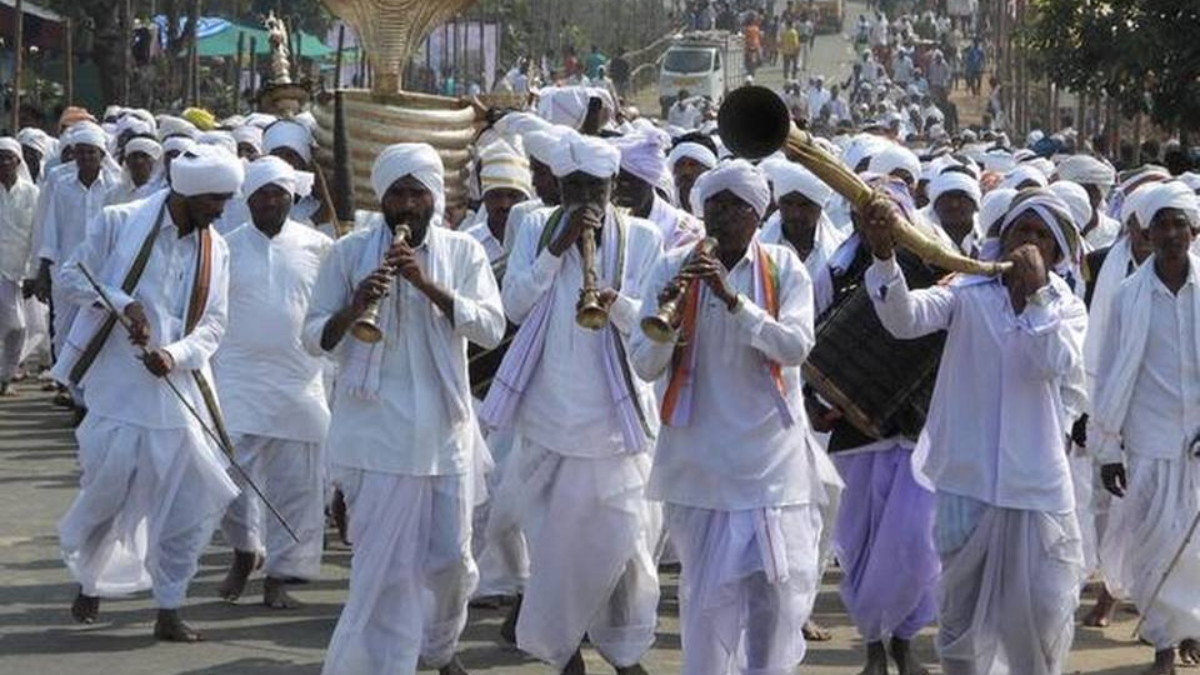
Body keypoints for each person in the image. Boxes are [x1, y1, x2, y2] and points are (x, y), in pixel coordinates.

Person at [863, 188, 1087, 675]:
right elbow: (904, 319)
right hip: (966, 480)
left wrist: (1038, 297)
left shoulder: (1067, 308)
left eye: (1041, 236)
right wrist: (885, 257)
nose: (1029, 244)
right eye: (1021, 232)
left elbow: (1050, 361)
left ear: (1056, 251)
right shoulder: (965, 292)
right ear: (1001, 239)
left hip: (1037, 487)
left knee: (1043, 614)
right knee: (960, 621)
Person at [629, 159, 834, 675]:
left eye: (732, 208)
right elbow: (644, 362)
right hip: (699, 465)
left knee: (773, 594)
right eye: (712, 207)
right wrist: (670, 318)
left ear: (754, 214)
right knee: (704, 597)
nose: (719, 217)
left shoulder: (784, 268)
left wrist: (732, 300)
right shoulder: (672, 265)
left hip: (769, 465)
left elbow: (795, 347)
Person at [307, 143, 505, 675]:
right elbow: (312, 339)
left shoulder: (464, 254)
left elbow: (490, 327)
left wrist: (427, 285)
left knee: (451, 566)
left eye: (419, 193)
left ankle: (437, 649)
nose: (409, 204)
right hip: (376, 437)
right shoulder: (348, 254)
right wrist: (354, 306)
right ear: (384, 199)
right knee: (384, 572)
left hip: (445, 434)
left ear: (435, 198)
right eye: (398, 193)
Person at [479, 131, 662, 674]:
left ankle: (625, 653)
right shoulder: (536, 225)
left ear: (613, 186)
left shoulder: (643, 236)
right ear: (558, 185)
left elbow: (651, 323)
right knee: (555, 548)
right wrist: (554, 253)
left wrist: (615, 301)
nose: (584, 200)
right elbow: (512, 306)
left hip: (617, 419)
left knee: (625, 546)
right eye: (573, 187)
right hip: (549, 416)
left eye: (594, 188)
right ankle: (565, 653)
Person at [53, 146, 245, 641]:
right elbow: (73, 276)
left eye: (224, 199)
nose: (220, 210)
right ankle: (91, 579)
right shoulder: (119, 221)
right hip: (118, 392)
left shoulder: (215, 248)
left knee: (188, 500)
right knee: (107, 493)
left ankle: (170, 605)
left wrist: (176, 354)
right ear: (185, 192)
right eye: (213, 200)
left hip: (179, 393)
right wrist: (122, 303)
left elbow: (216, 323)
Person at [212, 157, 333, 609]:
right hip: (237, 375)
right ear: (247, 198)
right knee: (225, 477)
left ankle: (281, 575)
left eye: (277, 193)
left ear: (292, 197)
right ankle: (246, 549)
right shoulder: (225, 246)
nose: (268, 201)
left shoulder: (318, 246)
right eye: (260, 193)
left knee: (298, 487)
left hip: (300, 377)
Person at [1095, 181, 1200, 675]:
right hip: (1150, 438)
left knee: (1196, 545)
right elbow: (1113, 373)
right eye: (1163, 224)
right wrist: (1108, 450)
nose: (1172, 233)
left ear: (1193, 231)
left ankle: (1192, 630)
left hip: (1199, 439)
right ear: (1147, 232)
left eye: (1180, 223)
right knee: (1154, 543)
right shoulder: (1127, 296)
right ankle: (1162, 643)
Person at [34, 122, 117, 386]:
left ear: (102, 155)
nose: (85, 157)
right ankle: (71, 390)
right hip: (66, 272)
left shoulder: (115, 188)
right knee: (64, 334)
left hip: (105, 273)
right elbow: (51, 230)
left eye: (91, 152)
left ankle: (89, 397)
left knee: (98, 335)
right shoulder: (62, 186)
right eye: (80, 152)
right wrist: (43, 271)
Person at [611, 131, 704, 249]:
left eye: (631, 181)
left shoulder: (683, 229)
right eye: (617, 181)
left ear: (650, 181)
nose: (622, 187)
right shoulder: (612, 223)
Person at [0, 138, 39, 394]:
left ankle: (5, 375)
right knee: (14, 324)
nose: (4, 163)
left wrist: (34, 271)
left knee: (18, 326)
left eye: (8, 157)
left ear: (18, 161)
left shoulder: (32, 193)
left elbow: (37, 234)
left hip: (18, 269)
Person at [921, 170, 983, 257]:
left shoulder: (985, 233)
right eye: (947, 198)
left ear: (975, 204)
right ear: (934, 205)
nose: (954, 204)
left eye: (961, 197)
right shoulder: (920, 233)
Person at [107, 137, 165, 206]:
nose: (139, 161)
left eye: (144, 156)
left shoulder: (161, 192)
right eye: (134, 156)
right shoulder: (114, 194)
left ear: (155, 161)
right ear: (127, 161)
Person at [667, 136, 718, 215]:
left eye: (693, 165)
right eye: (681, 164)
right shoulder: (666, 199)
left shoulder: (719, 201)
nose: (686, 171)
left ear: (708, 169)